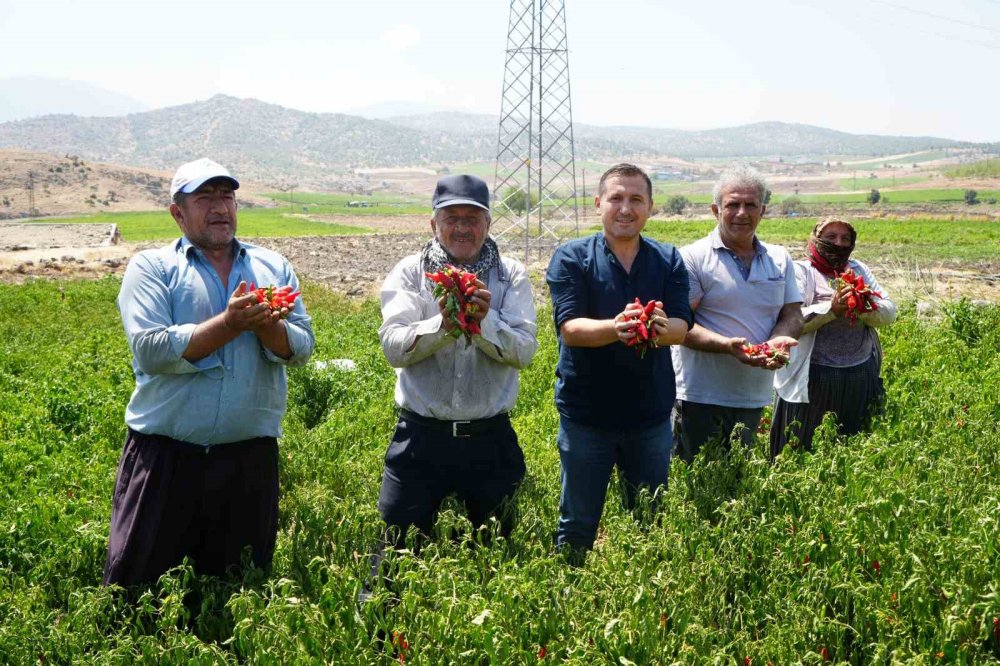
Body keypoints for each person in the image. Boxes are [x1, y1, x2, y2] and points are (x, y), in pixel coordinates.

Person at [104, 158, 315, 587]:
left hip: (247, 462)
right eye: (205, 198)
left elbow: (302, 347)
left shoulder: (273, 268)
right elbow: (150, 350)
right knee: (138, 591)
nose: (220, 207)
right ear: (177, 213)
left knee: (237, 592)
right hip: (165, 458)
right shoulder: (153, 268)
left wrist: (267, 324)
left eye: (227, 196)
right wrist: (230, 324)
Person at [375, 173, 537, 551]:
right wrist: (444, 324)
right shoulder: (412, 273)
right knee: (395, 554)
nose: (462, 227)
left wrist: (484, 322)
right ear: (434, 224)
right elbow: (393, 347)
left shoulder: (509, 275)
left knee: (497, 552)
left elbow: (525, 351)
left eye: (472, 218)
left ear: (488, 224)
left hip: (489, 440)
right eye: (452, 218)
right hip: (420, 438)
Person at [545, 163, 692, 556]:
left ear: (650, 207)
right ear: (598, 204)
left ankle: (645, 603)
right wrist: (619, 326)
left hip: (650, 416)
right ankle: (571, 597)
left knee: (649, 517)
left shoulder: (667, 259)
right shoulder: (572, 258)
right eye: (616, 198)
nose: (625, 208)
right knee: (577, 522)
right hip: (586, 417)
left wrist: (658, 327)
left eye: (636, 199)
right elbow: (570, 329)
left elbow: (682, 325)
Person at [671, 164, 803, 463]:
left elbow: (793, 314)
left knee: (737, 484)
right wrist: (727, 346)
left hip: (753, 395)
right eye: (732, 204)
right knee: (696, 483)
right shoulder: (692, 257)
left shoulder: (779, 258)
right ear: (715, 210)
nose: (742, 213)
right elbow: (680, 325)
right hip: (699, 396)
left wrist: (778, 341)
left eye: (750, 205)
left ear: (763, 210)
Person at [770, 217, 897, 457]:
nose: (838, 244)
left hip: (858, 370)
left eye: (845, 238)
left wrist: (862, 304)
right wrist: (832, 309)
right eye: (830, 238)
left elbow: (889, 311)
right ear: (815, 240)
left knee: (850, 445)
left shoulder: (858, 270)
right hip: (814, 374)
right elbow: (790, 321)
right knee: (800, 446)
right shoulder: (800, 271)